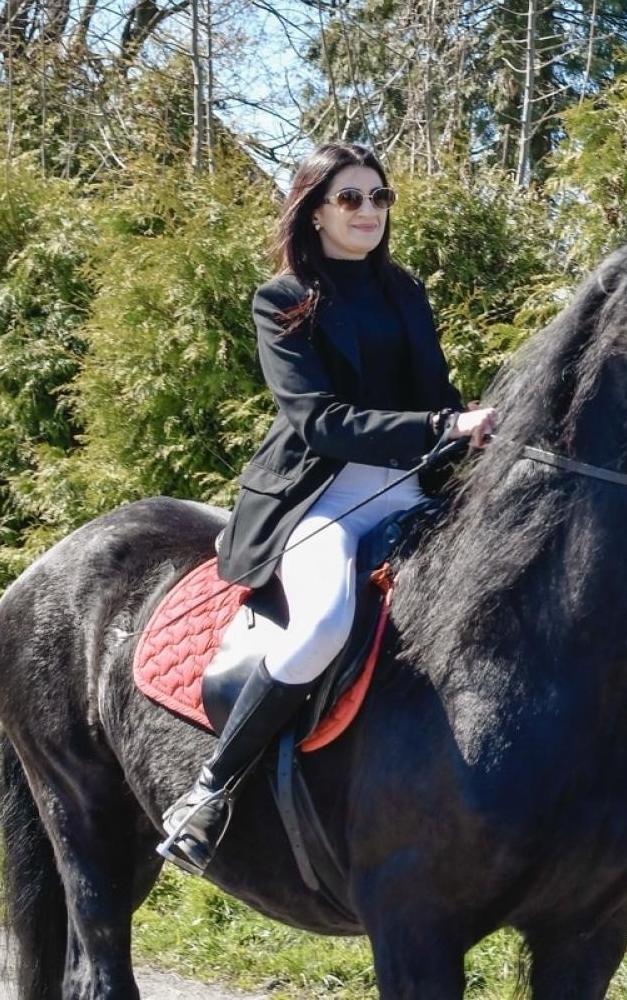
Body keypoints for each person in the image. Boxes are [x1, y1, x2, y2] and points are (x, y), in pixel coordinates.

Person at [157, 143, 498, 875]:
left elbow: (433, 394)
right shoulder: (281, 300)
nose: (368, 211)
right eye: (350, 198)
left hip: (412, 489)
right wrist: (440, 428)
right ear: (314, 210)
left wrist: (473, 426)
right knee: (322, 621)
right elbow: (320, 420)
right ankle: (210, 791)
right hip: (324, 496)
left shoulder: (404, 291)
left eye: (380, 197)